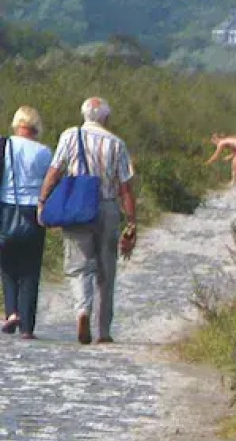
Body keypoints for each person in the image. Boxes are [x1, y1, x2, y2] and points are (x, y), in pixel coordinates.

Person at [38, 97, 136, 346]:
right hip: (107, 207)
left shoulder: (70, 136)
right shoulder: (117, 143)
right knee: (106, 270)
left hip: (78, 207)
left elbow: (55, 171)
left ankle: (82, 311)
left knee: (79, 267)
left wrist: (43, 201)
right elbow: (126, 188)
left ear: (84, 115)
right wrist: (132, 224)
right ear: (105, 118)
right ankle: (103, 331)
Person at [0, 106, 52, 340]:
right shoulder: (43, 152)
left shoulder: (5, 145)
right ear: (36, 126)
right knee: (30, 269)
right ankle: (27, 327)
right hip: (34, 212)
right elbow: (48, 183)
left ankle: (11, 312)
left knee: (7, 265)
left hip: (6, 208)